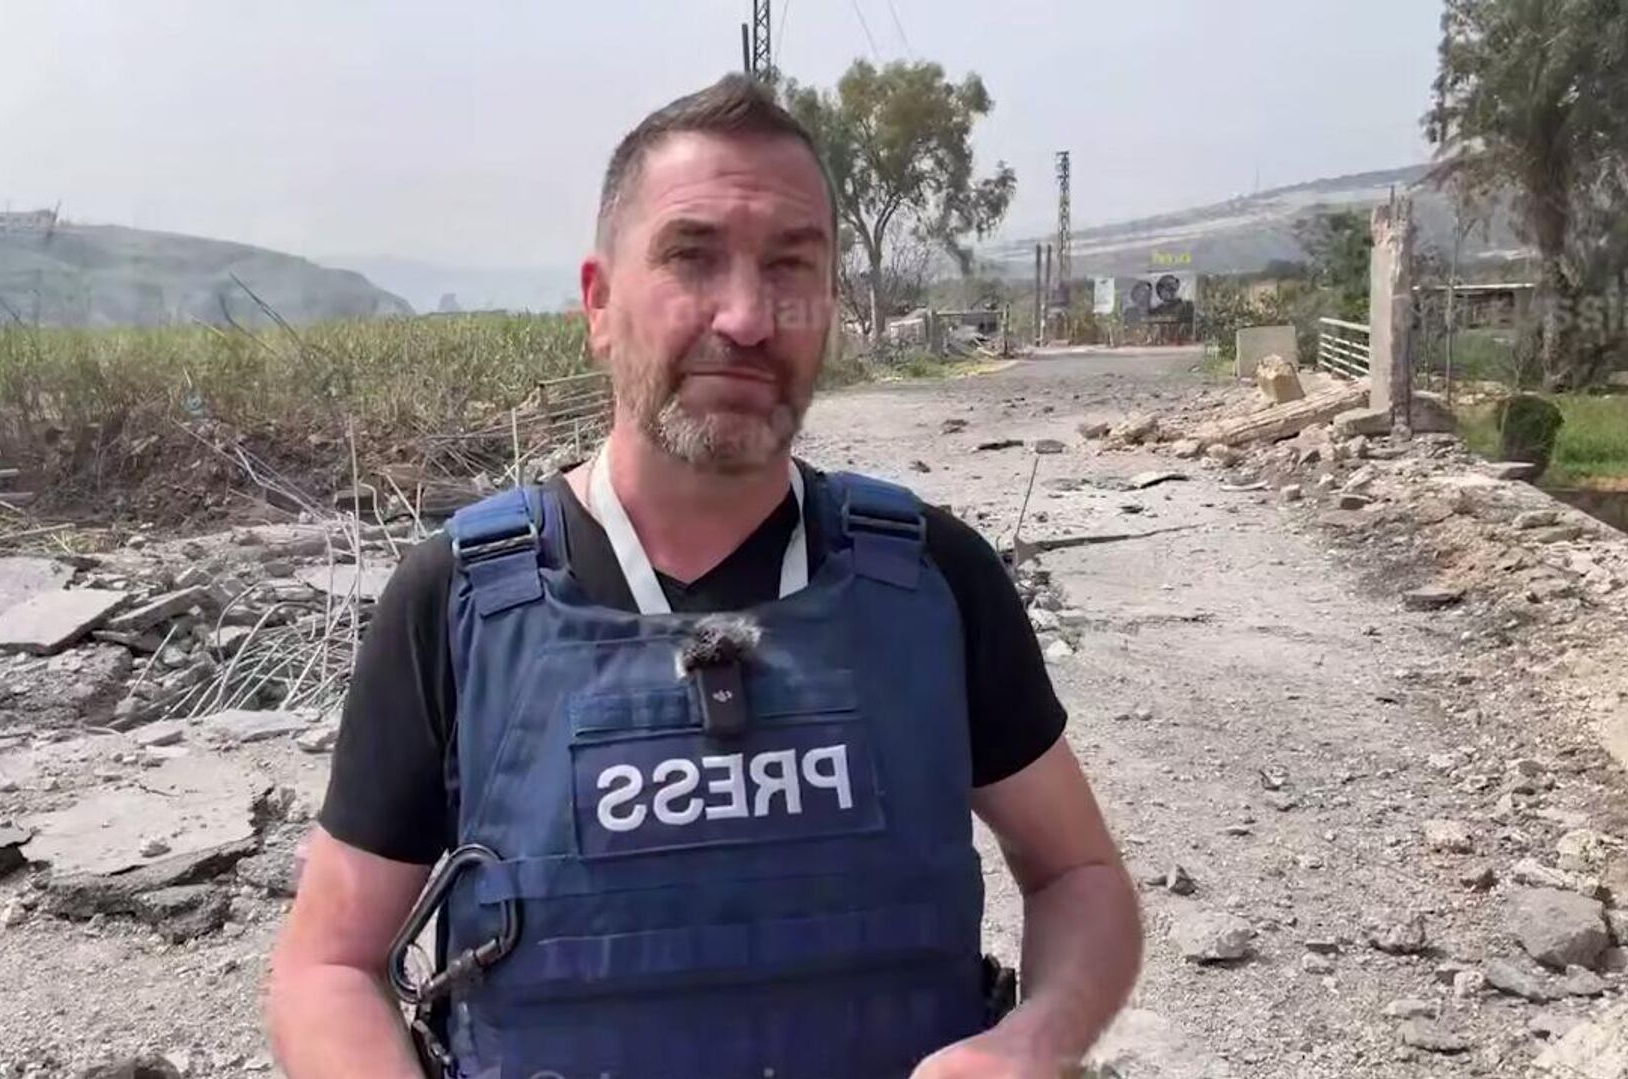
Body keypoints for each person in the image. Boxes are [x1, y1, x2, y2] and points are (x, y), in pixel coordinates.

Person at [267, 73, 1142, 1079]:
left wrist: (1032, 1042)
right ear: (600, 304)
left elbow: (1079, 874)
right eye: (692, 256)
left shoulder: (936, 580)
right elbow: (328, 964)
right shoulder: (460, 603)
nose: (748, 315)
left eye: (790, 265)